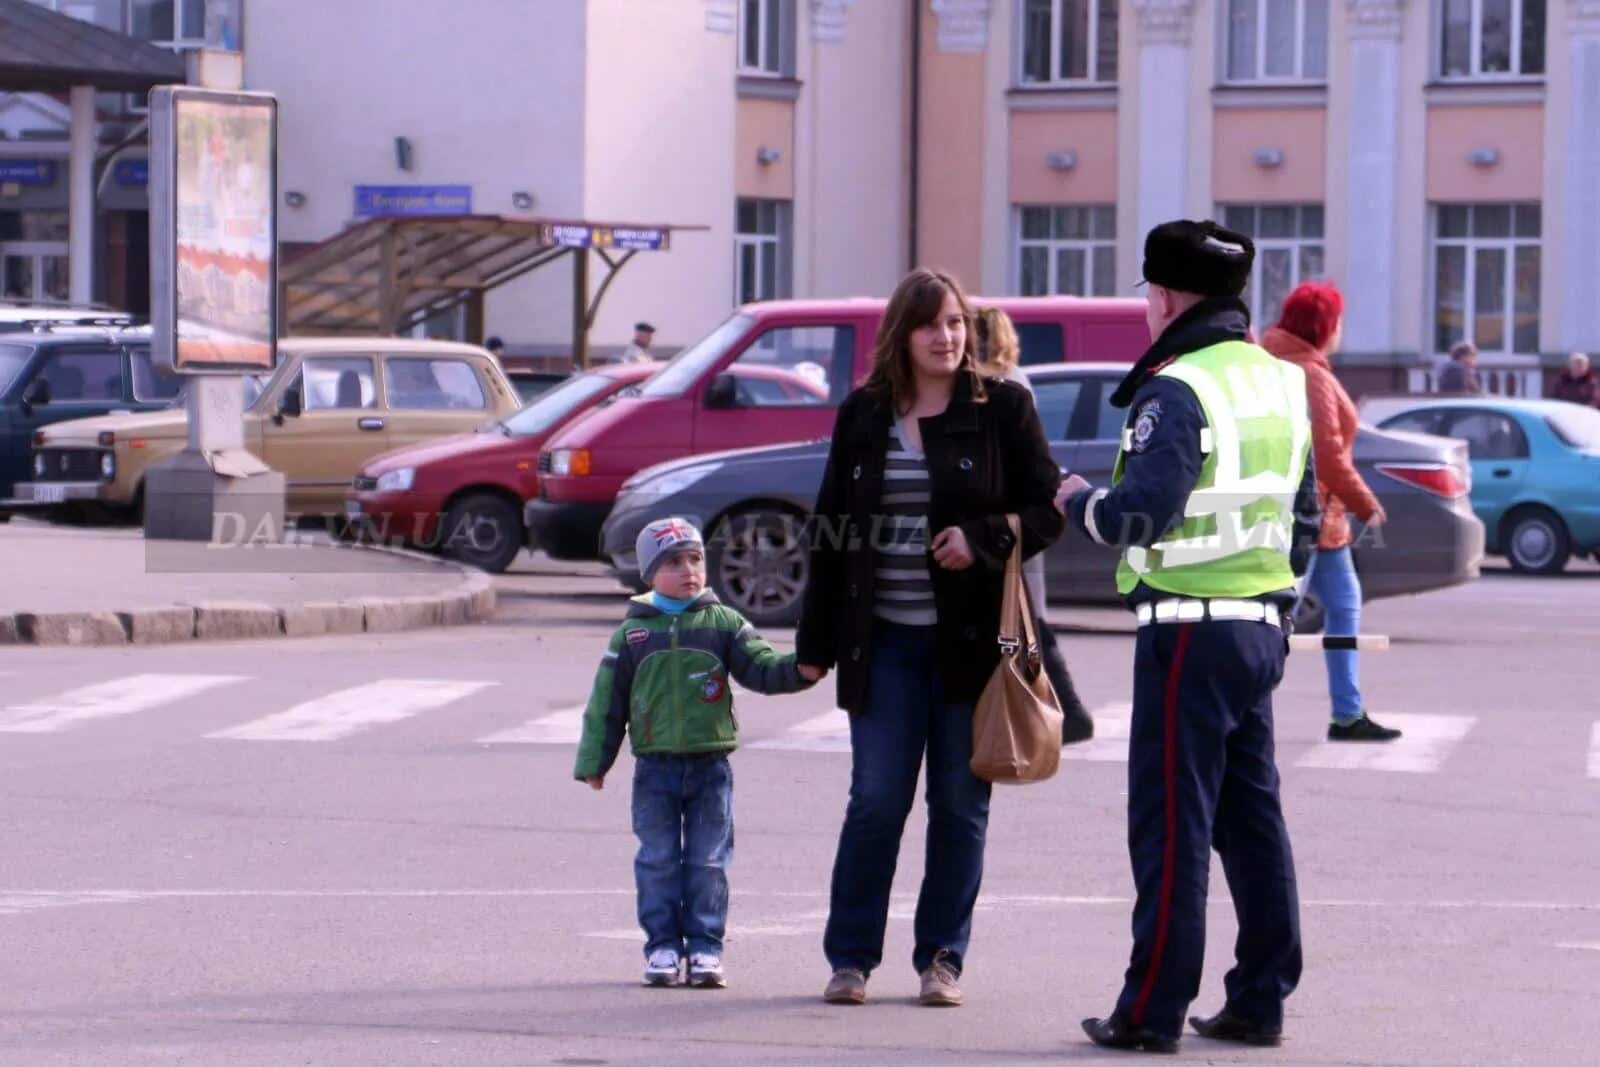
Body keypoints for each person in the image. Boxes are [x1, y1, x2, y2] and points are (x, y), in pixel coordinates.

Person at [1061, 220, 1320, 1054]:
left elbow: (1139, 514)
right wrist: (1272, 602)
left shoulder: (1178, 389)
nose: (1146, 306)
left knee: (1171, 826)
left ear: (1167, 296)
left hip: (1187, 634)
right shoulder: (1282, 381)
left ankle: (1150, 1010)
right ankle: (1259, 997)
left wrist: (1076, 501)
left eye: (1147, 293)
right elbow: (1305, 520)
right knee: (1252, 821)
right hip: (1258, 630)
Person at [795, 268, 1064, 1008]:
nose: (946, 337)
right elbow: (830, 529)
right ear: (901, 334)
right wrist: (813, 640)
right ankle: (850, 956)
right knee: (877, 801)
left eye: (955, 323)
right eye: (930, 324)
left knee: (958, 805)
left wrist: (981, 538)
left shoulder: (1001, 407)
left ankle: (942, 957)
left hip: (970, 650)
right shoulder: (864, 413)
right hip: (880, 644)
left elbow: (1048, 508)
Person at [573, 516, 814, 990]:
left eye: (695, 559)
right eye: (673, 562)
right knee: (658, 860)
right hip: (655, 769)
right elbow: (607, 703)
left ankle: (706, 948)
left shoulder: (724, 623)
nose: (688, 570)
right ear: (648, 574)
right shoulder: (633, 635)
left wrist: (799, 670)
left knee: (708, 862)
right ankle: (662, 946)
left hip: (711, 768)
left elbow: (761, 667)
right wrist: (595, 762)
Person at [1261, 283, 1403, 743]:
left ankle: (1348, 713)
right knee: (1278, 619)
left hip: (1313, 518)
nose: (1341, 331)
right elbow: (1327, 452)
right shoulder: (1311, 374)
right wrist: (1366, 502)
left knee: (1342, 606)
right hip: (1310, 517)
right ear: (1323, 328)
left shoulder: (1270, 362)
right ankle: (1244, 708)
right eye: (1338, 322)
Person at [973, 305, 1094, 744]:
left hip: (1008, 516)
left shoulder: (998, 384)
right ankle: (1059, 712)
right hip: (1018, 514)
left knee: (1024, 621)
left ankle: (1065, 713)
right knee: (1024, 619)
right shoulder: (1015, 375)